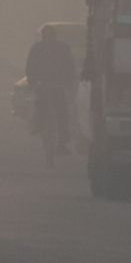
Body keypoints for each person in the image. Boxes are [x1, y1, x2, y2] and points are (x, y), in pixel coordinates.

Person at [25, 23, 78, 162]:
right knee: (40, 107)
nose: (47, 38)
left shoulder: (62, 48)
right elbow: (30, 67)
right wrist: (32, 82)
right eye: (45, 35)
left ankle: (62, 142)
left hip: (58, 86)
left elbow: (70, 66)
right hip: (43, 85)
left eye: (50, 35)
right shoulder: (37, 48)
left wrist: (68, 82)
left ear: (54, 36)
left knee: (63, 114)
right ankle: (37, 124)